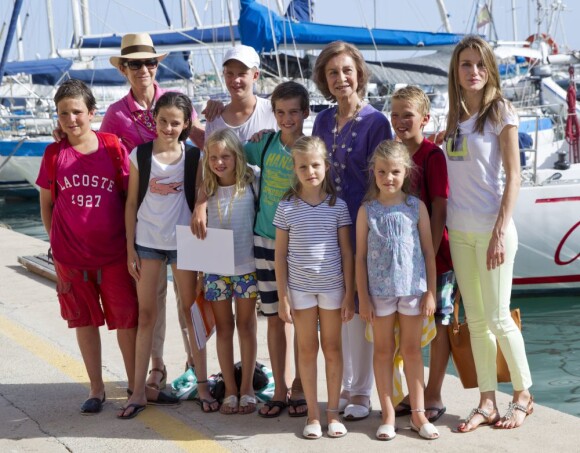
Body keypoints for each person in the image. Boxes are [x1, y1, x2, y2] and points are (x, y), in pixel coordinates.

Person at [193, 81, 311, 418]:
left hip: (295, 243)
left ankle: (298, 387)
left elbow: (232, 155)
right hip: (259, 244)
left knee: (297, 317)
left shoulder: (309, 150)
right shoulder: (266, 143)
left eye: (293, 112)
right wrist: (200, 202)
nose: (287, 118)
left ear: (304, 113)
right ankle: (269, 390)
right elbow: (222, 154)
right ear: (272, 116)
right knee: (272, 317)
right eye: (280, 113)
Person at [103, 33, 205, 390]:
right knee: (152, 304)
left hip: (182, 220)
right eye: (134, 63)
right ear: (124, 70)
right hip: (146, 224)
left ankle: (196, 364)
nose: (143, 69)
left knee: (189, 300)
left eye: (149, 62)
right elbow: (105, 155)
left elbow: (207, 145)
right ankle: (158, 366)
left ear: (157, 65)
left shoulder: (175, 102)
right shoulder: (115, 115)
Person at [445, 35, 533, 432]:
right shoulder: (453, 117)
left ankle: (523, 396)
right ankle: (486, 402)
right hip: (459, 232)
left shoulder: (500, 111)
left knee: (499, 318)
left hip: (492, 231)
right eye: (466, 64)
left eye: (480, 64)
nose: (474, 71)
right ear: (456, 70)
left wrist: (499, 232)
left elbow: (514, 176)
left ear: (490, 69)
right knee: (477, 321)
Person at [36, 79, 138, 415]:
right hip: (71, 258)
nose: (71, 119)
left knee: (126, 321)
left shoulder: (111, 147)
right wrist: (55, 239)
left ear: (92, 112)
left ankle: (135, 384)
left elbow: (128, 198)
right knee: (84, 322)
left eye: (77, 111)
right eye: (64, 113)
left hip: (113, 254)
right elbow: (47, 202)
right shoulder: (54, 154)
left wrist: (132, 243)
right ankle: (96, 388)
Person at [311, 40, 392, 420]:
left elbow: (382, 179)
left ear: (359, 73)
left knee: (360, 307)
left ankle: (360, 391)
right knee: (334, 305)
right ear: (324, 80)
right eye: (332, 72)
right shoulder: (322, 121)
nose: (340, 78)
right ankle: (342, 385)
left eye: (346, 70)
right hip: (328, 226)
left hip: (363, 226)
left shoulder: (376, 122)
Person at [120, 92, 211, 419]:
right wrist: (130, 248)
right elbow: (131, 204)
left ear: (187, 124)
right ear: (153, 120)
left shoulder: (194, 156)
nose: (168, 128)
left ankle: (202, 383)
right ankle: (139, 391)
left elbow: (202, 191)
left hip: (184, 243)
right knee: (147, 315)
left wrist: (200, 206)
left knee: (191, 314)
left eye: (176, 122)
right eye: (163, 121)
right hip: (147, 244)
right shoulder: (140, 155)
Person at [356, 140, 438, 441]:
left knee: (412, 351)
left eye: (394, 172)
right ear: (373, 173)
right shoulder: (367, 210)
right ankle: (388, 414)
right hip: (379, 295)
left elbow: (429, 252)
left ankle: (418, 414)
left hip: (413, 290)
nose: (388, 178)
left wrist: (430, 292)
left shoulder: (416, 208)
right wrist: (362, 297)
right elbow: (360, 257)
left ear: (406, 172)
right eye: (381, 172)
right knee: (382, 351)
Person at [274, 136, 354, 439]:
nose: (310, 171)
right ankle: (312, 413)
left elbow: (347, 252)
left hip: (333, 288)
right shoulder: (287, 206)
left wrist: (349, 293)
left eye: (316, 165)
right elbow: (279, 254)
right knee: (307, 349)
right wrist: (283, 297)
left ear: (326, 166)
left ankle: (333, 412)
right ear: (295, 169)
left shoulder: (338, 206)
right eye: (303, 166)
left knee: (332, 348)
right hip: (300, 289)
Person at [390, 85, 455, 424]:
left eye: (408, 115)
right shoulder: (392, 156)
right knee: (406, 326)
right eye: (396, 114)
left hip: (435, 256)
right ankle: (408, 393)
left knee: (440, 320)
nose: (400, 121)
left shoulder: (432, 155)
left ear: (425, 119)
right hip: (399, 260)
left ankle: (434, 392)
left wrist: (426, 247)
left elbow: (440, 205)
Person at [201, 128, 259, 415]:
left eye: (226, 156)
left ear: (237, 156)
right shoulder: (206, 189)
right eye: (213, 157)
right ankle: (231, 390)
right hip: (215, 269)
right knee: (224, 328)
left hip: (247, 267)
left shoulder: (253, 181)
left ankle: (247, 387)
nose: (219, 162)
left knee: (246, 326)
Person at [203, 45, 278, 140]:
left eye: (242, 74)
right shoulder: (214, 118)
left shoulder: (273, 112)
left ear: (255, 76)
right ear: (224, 74)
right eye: (229, 73)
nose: (235, 80)